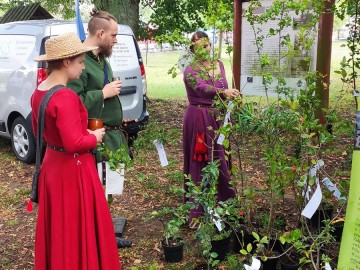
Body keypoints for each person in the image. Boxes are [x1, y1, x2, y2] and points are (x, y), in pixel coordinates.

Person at [31, 32, 121, 269]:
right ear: (66, 62)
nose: (83, 68)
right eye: (80, 62)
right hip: (73, 171)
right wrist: (94, 137)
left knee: (60, 227)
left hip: (53, 168)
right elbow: (74, 143)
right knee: (74, 227)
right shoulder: (66, 96)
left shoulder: (39, 91)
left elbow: (38, 129)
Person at [67, 9, 132, 248]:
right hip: (95, 137)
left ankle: (104, 230)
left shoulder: (101, 59)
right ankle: (97, 236)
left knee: (110, 186)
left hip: (112, 135)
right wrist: (103, 93)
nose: (115, 40)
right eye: (113, 35)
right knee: (95, 189)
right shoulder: (80, 63)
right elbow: (73, 102)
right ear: (101, 33)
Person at [182, 31, 240, 226]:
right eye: (198, 47)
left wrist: (230, 104)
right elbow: (201, 88)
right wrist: (224, 92)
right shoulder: (190, 70)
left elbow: (225, 89)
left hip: (219, 117)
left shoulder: (220, 64)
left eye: (206, 46)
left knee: (221, 158)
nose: (203, 50)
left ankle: (225, 203)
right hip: (199, 118)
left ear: (210, 45)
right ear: (193, 49)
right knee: (201, 159)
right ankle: (197, 210)